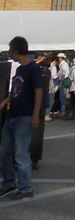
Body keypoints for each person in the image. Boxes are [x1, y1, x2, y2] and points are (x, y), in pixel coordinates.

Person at [0, 35, 43, 200]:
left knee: (20, 154)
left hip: (24, 117)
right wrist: (5, 101)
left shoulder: (33, 68)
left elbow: (38, 92)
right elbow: (15, 90)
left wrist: (35, 116)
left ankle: (26, 188)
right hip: (12, 115)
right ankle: (9, 184)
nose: (9, 54)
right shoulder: (19, 69)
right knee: (3, 152)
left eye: (10, 51)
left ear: (16, 51)